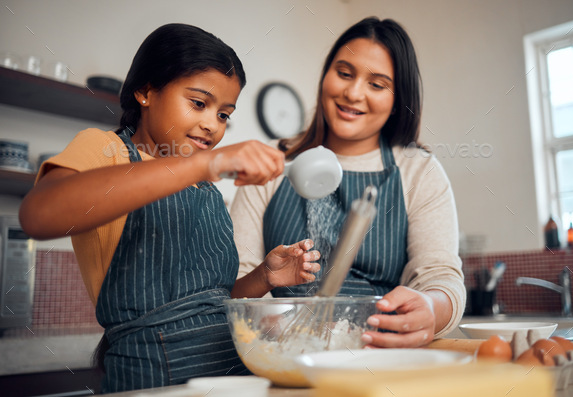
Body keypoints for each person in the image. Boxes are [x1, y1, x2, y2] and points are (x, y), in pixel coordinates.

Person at [18, 23, 320, 393]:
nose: (212, 125)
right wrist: (203, 164)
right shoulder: (105, 149)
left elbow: (210, 307)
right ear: (145, 91)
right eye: (198, 103)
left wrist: (263, 278)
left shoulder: (206, 189)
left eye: (224, 114)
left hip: (232, 372)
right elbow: (38, 214)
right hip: (151, 376)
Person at [230, 17, 466, 348]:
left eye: (377, 84)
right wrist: (266, 318)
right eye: (344, 73)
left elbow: (439, 277)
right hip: (281, 352)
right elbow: (237, 281)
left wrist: (431, 307)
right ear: (326, 75)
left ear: (398, 99)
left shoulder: (418, 170)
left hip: (380, 354)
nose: (353, 93)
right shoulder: (274, 163)